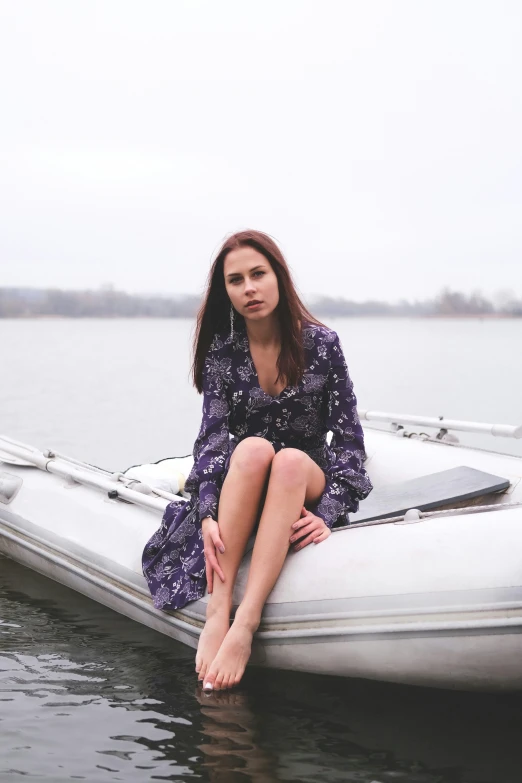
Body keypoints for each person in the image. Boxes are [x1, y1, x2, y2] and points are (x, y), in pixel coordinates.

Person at [142, 229, 373, 692]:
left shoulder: (322, 346)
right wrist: (206, 513)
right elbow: (210, 440)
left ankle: (245, 624)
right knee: (251, 448)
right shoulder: (222, 353)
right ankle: (217, 611)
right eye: (235, 280)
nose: (248, 288)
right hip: (245, 473)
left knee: (286, 459)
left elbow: (350, 447)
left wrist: (327, 513)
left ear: (278, 278)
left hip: (301, 473)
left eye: (257, 274)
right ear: (225, 292)